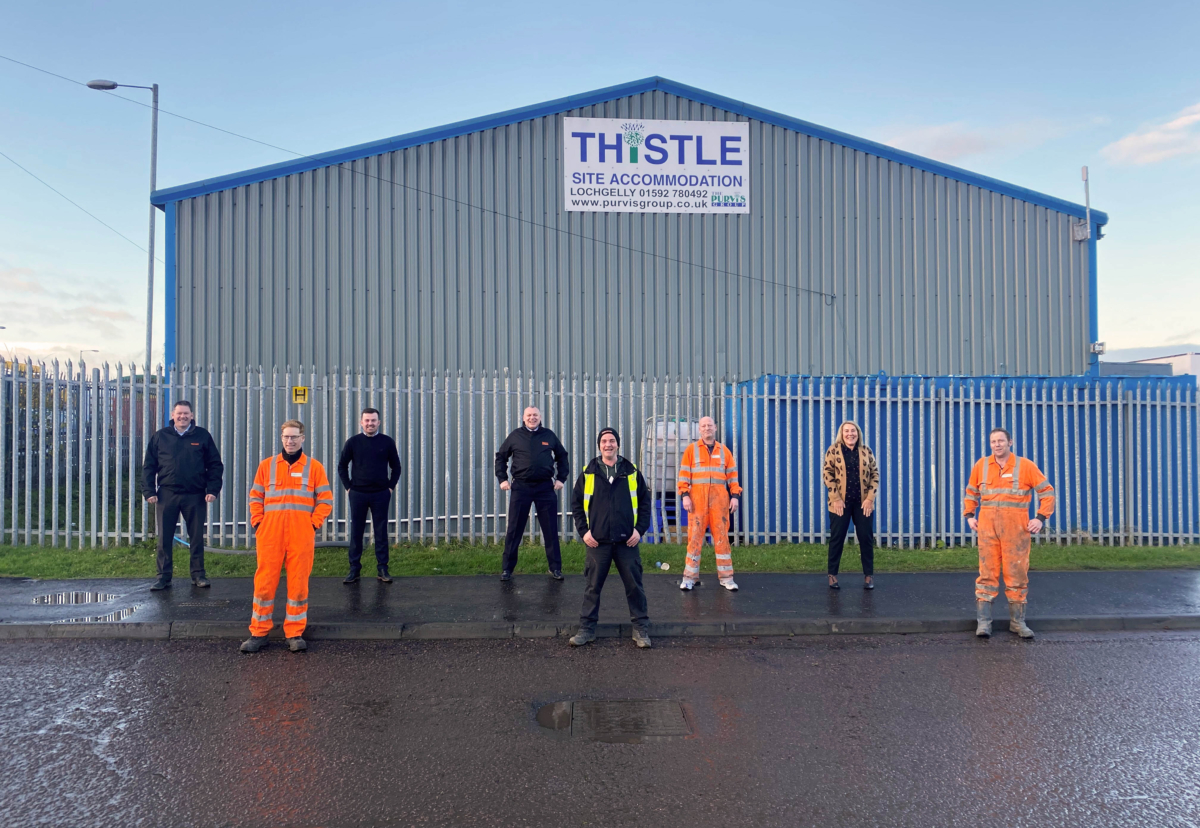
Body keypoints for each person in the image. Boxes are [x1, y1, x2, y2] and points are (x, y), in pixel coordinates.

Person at [240, 420, 334, 654]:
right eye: (286, 437)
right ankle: (259, 632)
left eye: (294, 437)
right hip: (270, 533)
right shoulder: (267, 466)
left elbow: (325, 500)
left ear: (303, 438)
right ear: (281, 438)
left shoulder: (315, 467)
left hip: (301, 534)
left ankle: (294, 632)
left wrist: (313, 524)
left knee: (298, 584)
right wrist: (258, 522)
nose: (290, 441)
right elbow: (255, 497)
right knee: (264, 583)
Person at [963, 427, 1056, 639]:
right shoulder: (982, 465)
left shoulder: (1025, 466)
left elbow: (1047, 492)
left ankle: (1018, 622)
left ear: (1010, 442)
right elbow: (971, 491)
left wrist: (1040, 518)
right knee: (987, 573)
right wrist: (969, 514)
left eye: (1001, 441)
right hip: (987, 527)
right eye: (993, 441)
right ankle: (984, 623)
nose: (997, 445)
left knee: (1017, 574)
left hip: (1016, 529)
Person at [569, 428, 653, 649]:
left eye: (612, 440)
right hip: (598, 541)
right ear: (599, 446)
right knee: (592, 587)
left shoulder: (631, 471)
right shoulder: (589, 472)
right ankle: (587, 629)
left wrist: (639, 530)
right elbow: (576, 504)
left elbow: (645, 503)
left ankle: (641, 629)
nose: (608, 444)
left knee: (635, 586)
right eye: (604, 441)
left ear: (618, 444)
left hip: (628, 540)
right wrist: (584, 532)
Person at [141, 400, 224, 590]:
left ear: (192, 415)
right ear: (172, 415)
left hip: (195, 495)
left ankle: (198, 575)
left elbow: (215, 465)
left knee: (195, 537)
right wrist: (149, 491)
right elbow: (149, 466)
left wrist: (212, 489)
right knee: (164, 538)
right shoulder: (161, 437)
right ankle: (163, 577)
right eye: (179, 413)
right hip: (167, 494)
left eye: (186, 413)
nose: (182, 417)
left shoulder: (202, 436)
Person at [494, 406, 570, 581]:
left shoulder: (549, 435)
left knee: (550, 529)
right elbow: (501, 457)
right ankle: (507, 569)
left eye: (535, 415)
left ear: (540, 417)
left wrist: (561, 479)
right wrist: (502, 479)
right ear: (523, 417)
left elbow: (562, 456)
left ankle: (555, 568)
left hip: (545, 488)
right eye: (529, 415)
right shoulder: (515, 436)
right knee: (514, 529)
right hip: (521, 487)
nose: (532, 418)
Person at [337, 407, 402, 584]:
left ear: (379, 422)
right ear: (361, 422)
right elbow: (342, 466)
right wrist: (349, 488)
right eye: (367, 420)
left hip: (381, 494)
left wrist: (390, 488)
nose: (370, 423)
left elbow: (396, 467)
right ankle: (354, 569)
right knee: (356, 531)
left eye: (373, 420)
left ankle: (382, 569)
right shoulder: (353, 442)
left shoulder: (387, 442)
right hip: (357, 493)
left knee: (381, 532)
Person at [678, 416, 742, 591]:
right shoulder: (691, 450)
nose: (707, 428)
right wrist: (684, 495)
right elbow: (683, 475)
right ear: (699, 429)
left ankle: (727, 578)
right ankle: (690, 578)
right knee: (694, 539)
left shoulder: (725, 451)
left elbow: (733, 477)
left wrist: (735, 496)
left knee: (722, 539)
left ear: (715, 428)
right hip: (697, 503)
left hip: (719, 503)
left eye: (709, 425)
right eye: (703, 426)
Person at [822, 420, 880, 589]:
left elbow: (875, 475)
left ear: (858, 433)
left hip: (863, 504)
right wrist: (836, 498)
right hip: (839, 503)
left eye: (853, 431)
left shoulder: (866, 451)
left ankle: (868, 576)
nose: (850, 434)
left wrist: (870, 499)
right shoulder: (833, 451)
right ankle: (832, 575)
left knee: (866, 538)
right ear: (842, 433)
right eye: (846, 431)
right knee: (837, 538)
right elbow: (827, 475)